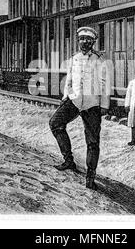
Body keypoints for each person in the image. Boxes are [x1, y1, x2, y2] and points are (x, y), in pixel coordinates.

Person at [49, 26, 110, 191]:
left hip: (92, 104)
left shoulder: (100, 61)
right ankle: (68, 160)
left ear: (93, 42)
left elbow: (105, 84)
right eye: (82, 39)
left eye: (88, 40)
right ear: (79, 41)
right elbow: (69, 80)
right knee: (55, 123)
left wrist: (104, 105)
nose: (85, 42)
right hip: (75, 100)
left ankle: (90, 177)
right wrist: (65, 97)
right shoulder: (74, 59)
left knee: (92, 142)